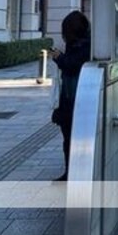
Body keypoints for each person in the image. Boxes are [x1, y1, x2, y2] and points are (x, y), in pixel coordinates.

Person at [50, 11, 90, 181]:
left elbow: (72, 65)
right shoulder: (78, 44)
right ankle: (71, 171)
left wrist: (59, 58)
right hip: (70, 98)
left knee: (72, 138)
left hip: (76, 99)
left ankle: (74, 171)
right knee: (68, 138)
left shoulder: (84, 47)